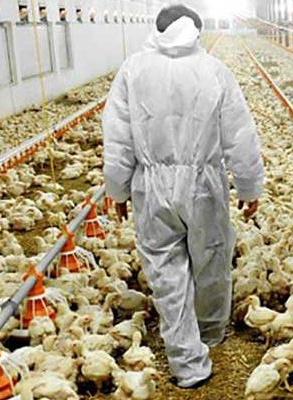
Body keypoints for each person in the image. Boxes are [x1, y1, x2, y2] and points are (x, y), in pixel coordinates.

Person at [102, 4, 265, 389]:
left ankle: (188, 364)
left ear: (156, 30)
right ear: (196, 29)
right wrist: (249, 185)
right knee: (211, 258)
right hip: (204, 184)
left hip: (152, 184)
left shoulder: (133, 70)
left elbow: (118, 137)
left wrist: (118, 188)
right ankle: (210, 331)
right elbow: (239, 133)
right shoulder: (213, 70)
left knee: (165, 271)